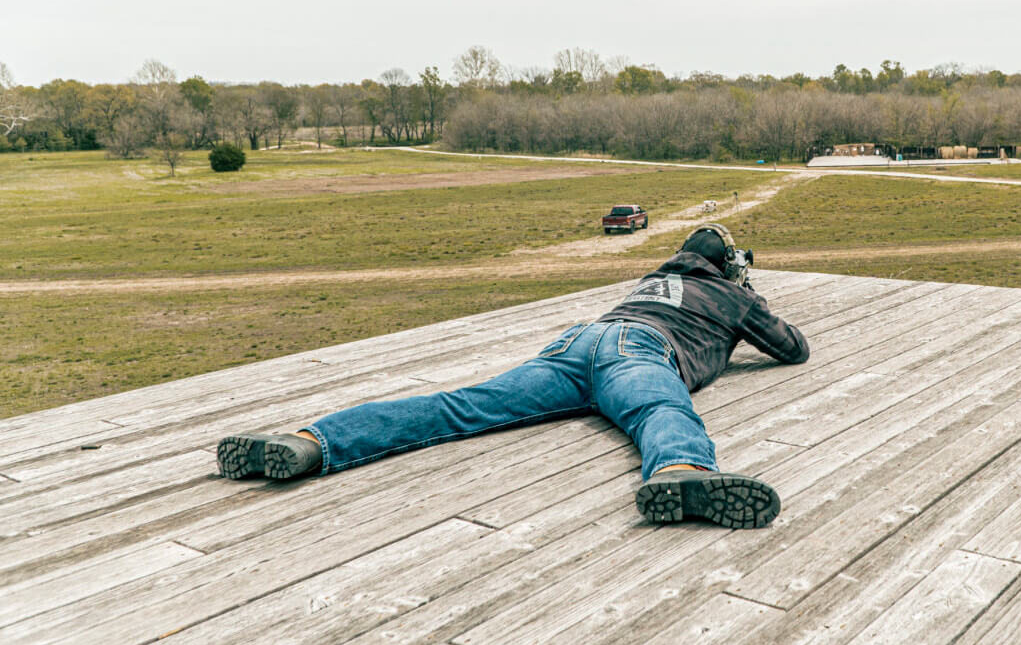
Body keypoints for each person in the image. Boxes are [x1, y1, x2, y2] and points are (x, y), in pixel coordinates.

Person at [216, 223, 810, 529]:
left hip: (578, 341)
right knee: (660, 410)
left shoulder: (657, 277)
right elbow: (793, 349)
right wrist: (746, 300)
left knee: (455, 407)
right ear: (727, 267)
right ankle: (681, 472)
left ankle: (310, 442)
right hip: (639, 348)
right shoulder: (729, 294)